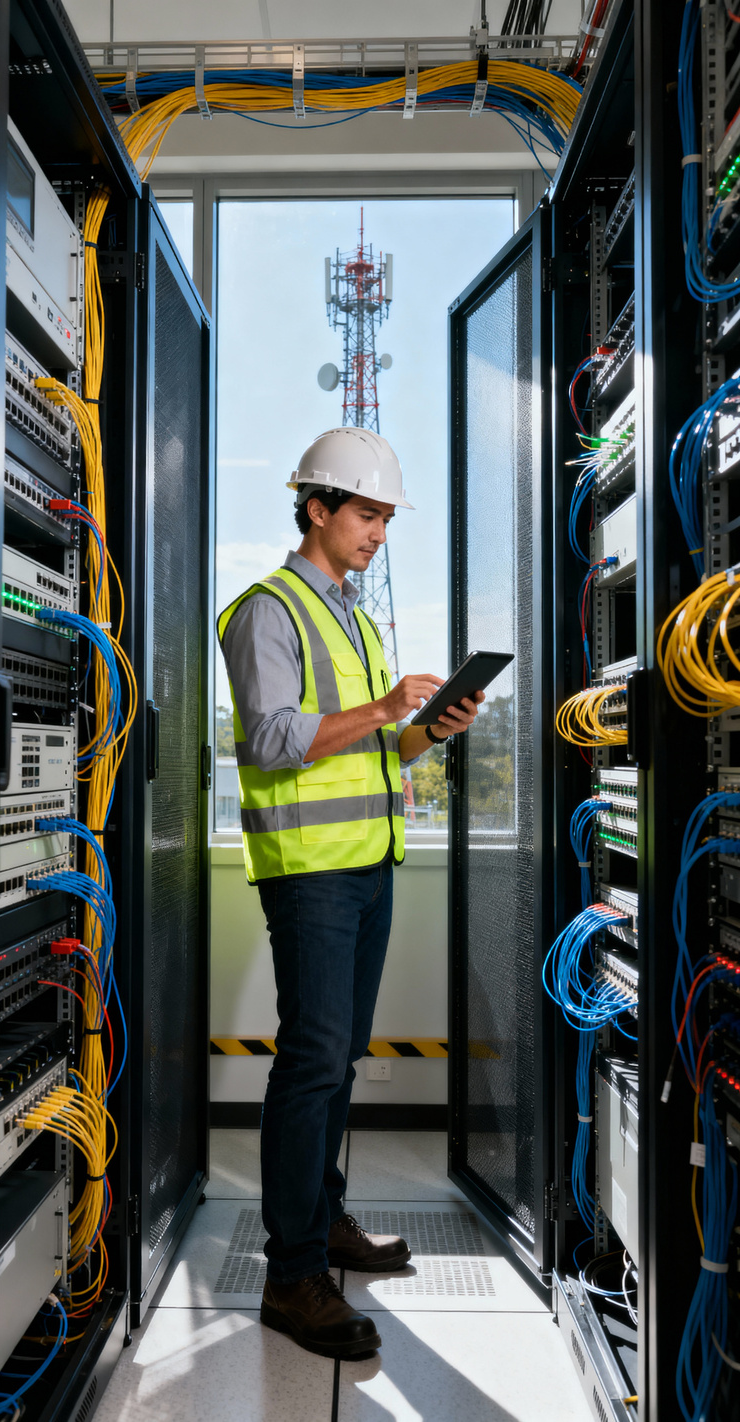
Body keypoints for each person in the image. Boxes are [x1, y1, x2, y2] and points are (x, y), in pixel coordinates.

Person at [217, 427, 484, 1360]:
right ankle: (291, 1278)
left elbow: (377, 751)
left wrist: (428, 730)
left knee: (336, 1063)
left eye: (383, 517)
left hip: (367, 863)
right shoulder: (266, 610)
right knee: (311, 1065)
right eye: (366, 513)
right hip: (310, 875)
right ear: (317, 509)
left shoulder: (355, 618)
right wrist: (381, 707)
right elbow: (274, 739)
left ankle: (323, 1225)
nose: (378, 532)